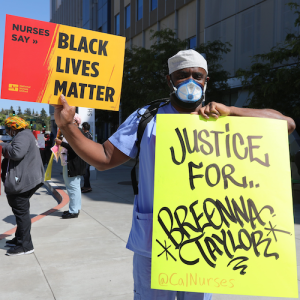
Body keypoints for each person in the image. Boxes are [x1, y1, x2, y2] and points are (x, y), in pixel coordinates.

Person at [52, 50, 295, 299]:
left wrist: (232, 111)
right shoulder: (147, 118)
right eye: (182, 76)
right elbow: (103, 158)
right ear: (169, 80)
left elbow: (286, 124)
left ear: (206, 81)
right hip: (154, 244)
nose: (190, 81)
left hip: (207, 244)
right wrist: (67, 126)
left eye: (197, 76)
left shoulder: (223, 119)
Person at [0, 116, 44, 256]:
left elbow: (16, 153)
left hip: (23, 181)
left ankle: (25, 246)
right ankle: (19, 239)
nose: (7, 131)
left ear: (14, 128)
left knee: (21, 212)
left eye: (8, 129)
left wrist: (2, 144)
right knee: (21, 211)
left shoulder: (23, 135)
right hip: (26, 179)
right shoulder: (25, 134)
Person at [55, 113, 86, 219]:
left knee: (72, 187)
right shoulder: (78, 132)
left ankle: (73, 210)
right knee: (75, 187)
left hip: (73, 163)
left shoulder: (75, 132)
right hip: (74, 163)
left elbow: (74, 148)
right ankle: (75, 208)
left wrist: (61, 143)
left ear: (76, 122)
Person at [81, 122, 93, 193]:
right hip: (88, 156)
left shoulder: (86, 135)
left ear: (84, 128)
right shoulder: (90, 135)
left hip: (86, 156)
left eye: (82, 127)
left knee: (85, 172)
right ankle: (86, 185)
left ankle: (88, 187)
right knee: (87, 171)